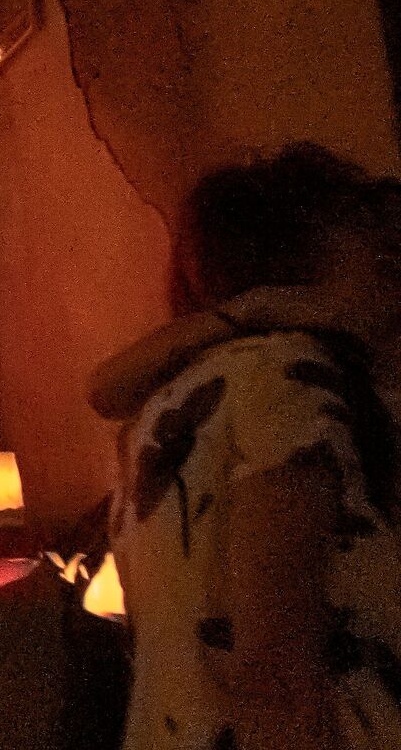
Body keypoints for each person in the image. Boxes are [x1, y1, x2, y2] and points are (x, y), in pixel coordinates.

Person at [89, 144, 401, 750]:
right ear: (295, 257)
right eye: (376, 247)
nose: (393, 262)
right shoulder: (285, 383)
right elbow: (272, 667)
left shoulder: (184, 399)